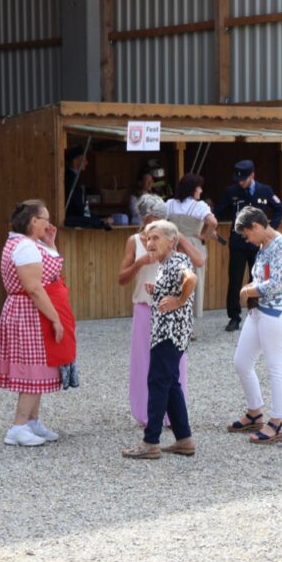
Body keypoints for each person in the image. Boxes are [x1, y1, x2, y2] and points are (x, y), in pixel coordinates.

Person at [118, 194, 204, 427]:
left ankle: (174, 414)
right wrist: (139, 263)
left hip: (172, 311)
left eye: (163, 218)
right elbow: (122, 279)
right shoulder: (134, 241)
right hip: (144, 307)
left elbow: (199, 261)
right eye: (155, 219)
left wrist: (181, 239)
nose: (159, 223)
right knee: (144, 362)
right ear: (145, 218)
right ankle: (146, 413)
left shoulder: (171, 237)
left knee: (175, 363)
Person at [0, 200, 68, 446]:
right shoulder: (25, 247)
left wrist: (50, 244)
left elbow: (48, 273)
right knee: (32, 370)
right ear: (34, 221)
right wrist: (55, 319)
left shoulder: (24, 243)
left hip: (27, 310)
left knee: (39, 368)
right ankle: (18, 426)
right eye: (45, 219)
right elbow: (34, 288)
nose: (49, 224)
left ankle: (32, 421)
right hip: (28, 312)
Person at [121, 220, 197, 459]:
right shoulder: (167, 263)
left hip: (169, 334)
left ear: (171, 242)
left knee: (157, 382)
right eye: (147, 238)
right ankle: (184, 439)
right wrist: (160, 291)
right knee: (171, 383)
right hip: (169, 334)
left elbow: (191, 279)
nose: (149, 243)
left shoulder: (177, 260)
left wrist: (179, 300)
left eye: (155, 238)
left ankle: (150, 441)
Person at [226, 206, 282, 445]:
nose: (246, 240)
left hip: (277, 313)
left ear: (256, 226)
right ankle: (254, 412)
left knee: (275, 367)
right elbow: (262, 278)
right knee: (241, 362)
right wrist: (251, 290)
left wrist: (247, 290)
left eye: (246, 234)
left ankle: (277, 422)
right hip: (259, 312)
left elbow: (277, 283)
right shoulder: (263, 245)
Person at [215, 159, 282, 332]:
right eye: (238, 179)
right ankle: (234, 317)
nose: (240, 182)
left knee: (257, 280)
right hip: (238, 243)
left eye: (244, 179)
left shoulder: (264, 190)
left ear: (252, 175)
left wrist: (270, 230)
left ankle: (255, 314)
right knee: (235, 281)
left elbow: (279, 208)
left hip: (258, 245)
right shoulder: (232, 191)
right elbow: (218, 211)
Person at [166, 172, 218, 318]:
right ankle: (191, 319)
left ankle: (173, 315)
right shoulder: (199, 206)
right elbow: (213, 222)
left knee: (174, 281)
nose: (201, 190)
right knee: (194, 282)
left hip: (173, 245)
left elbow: (159, 221)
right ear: (193, 189)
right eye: (199, 187)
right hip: (194, 246)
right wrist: (205, 237)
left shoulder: (170, 204)